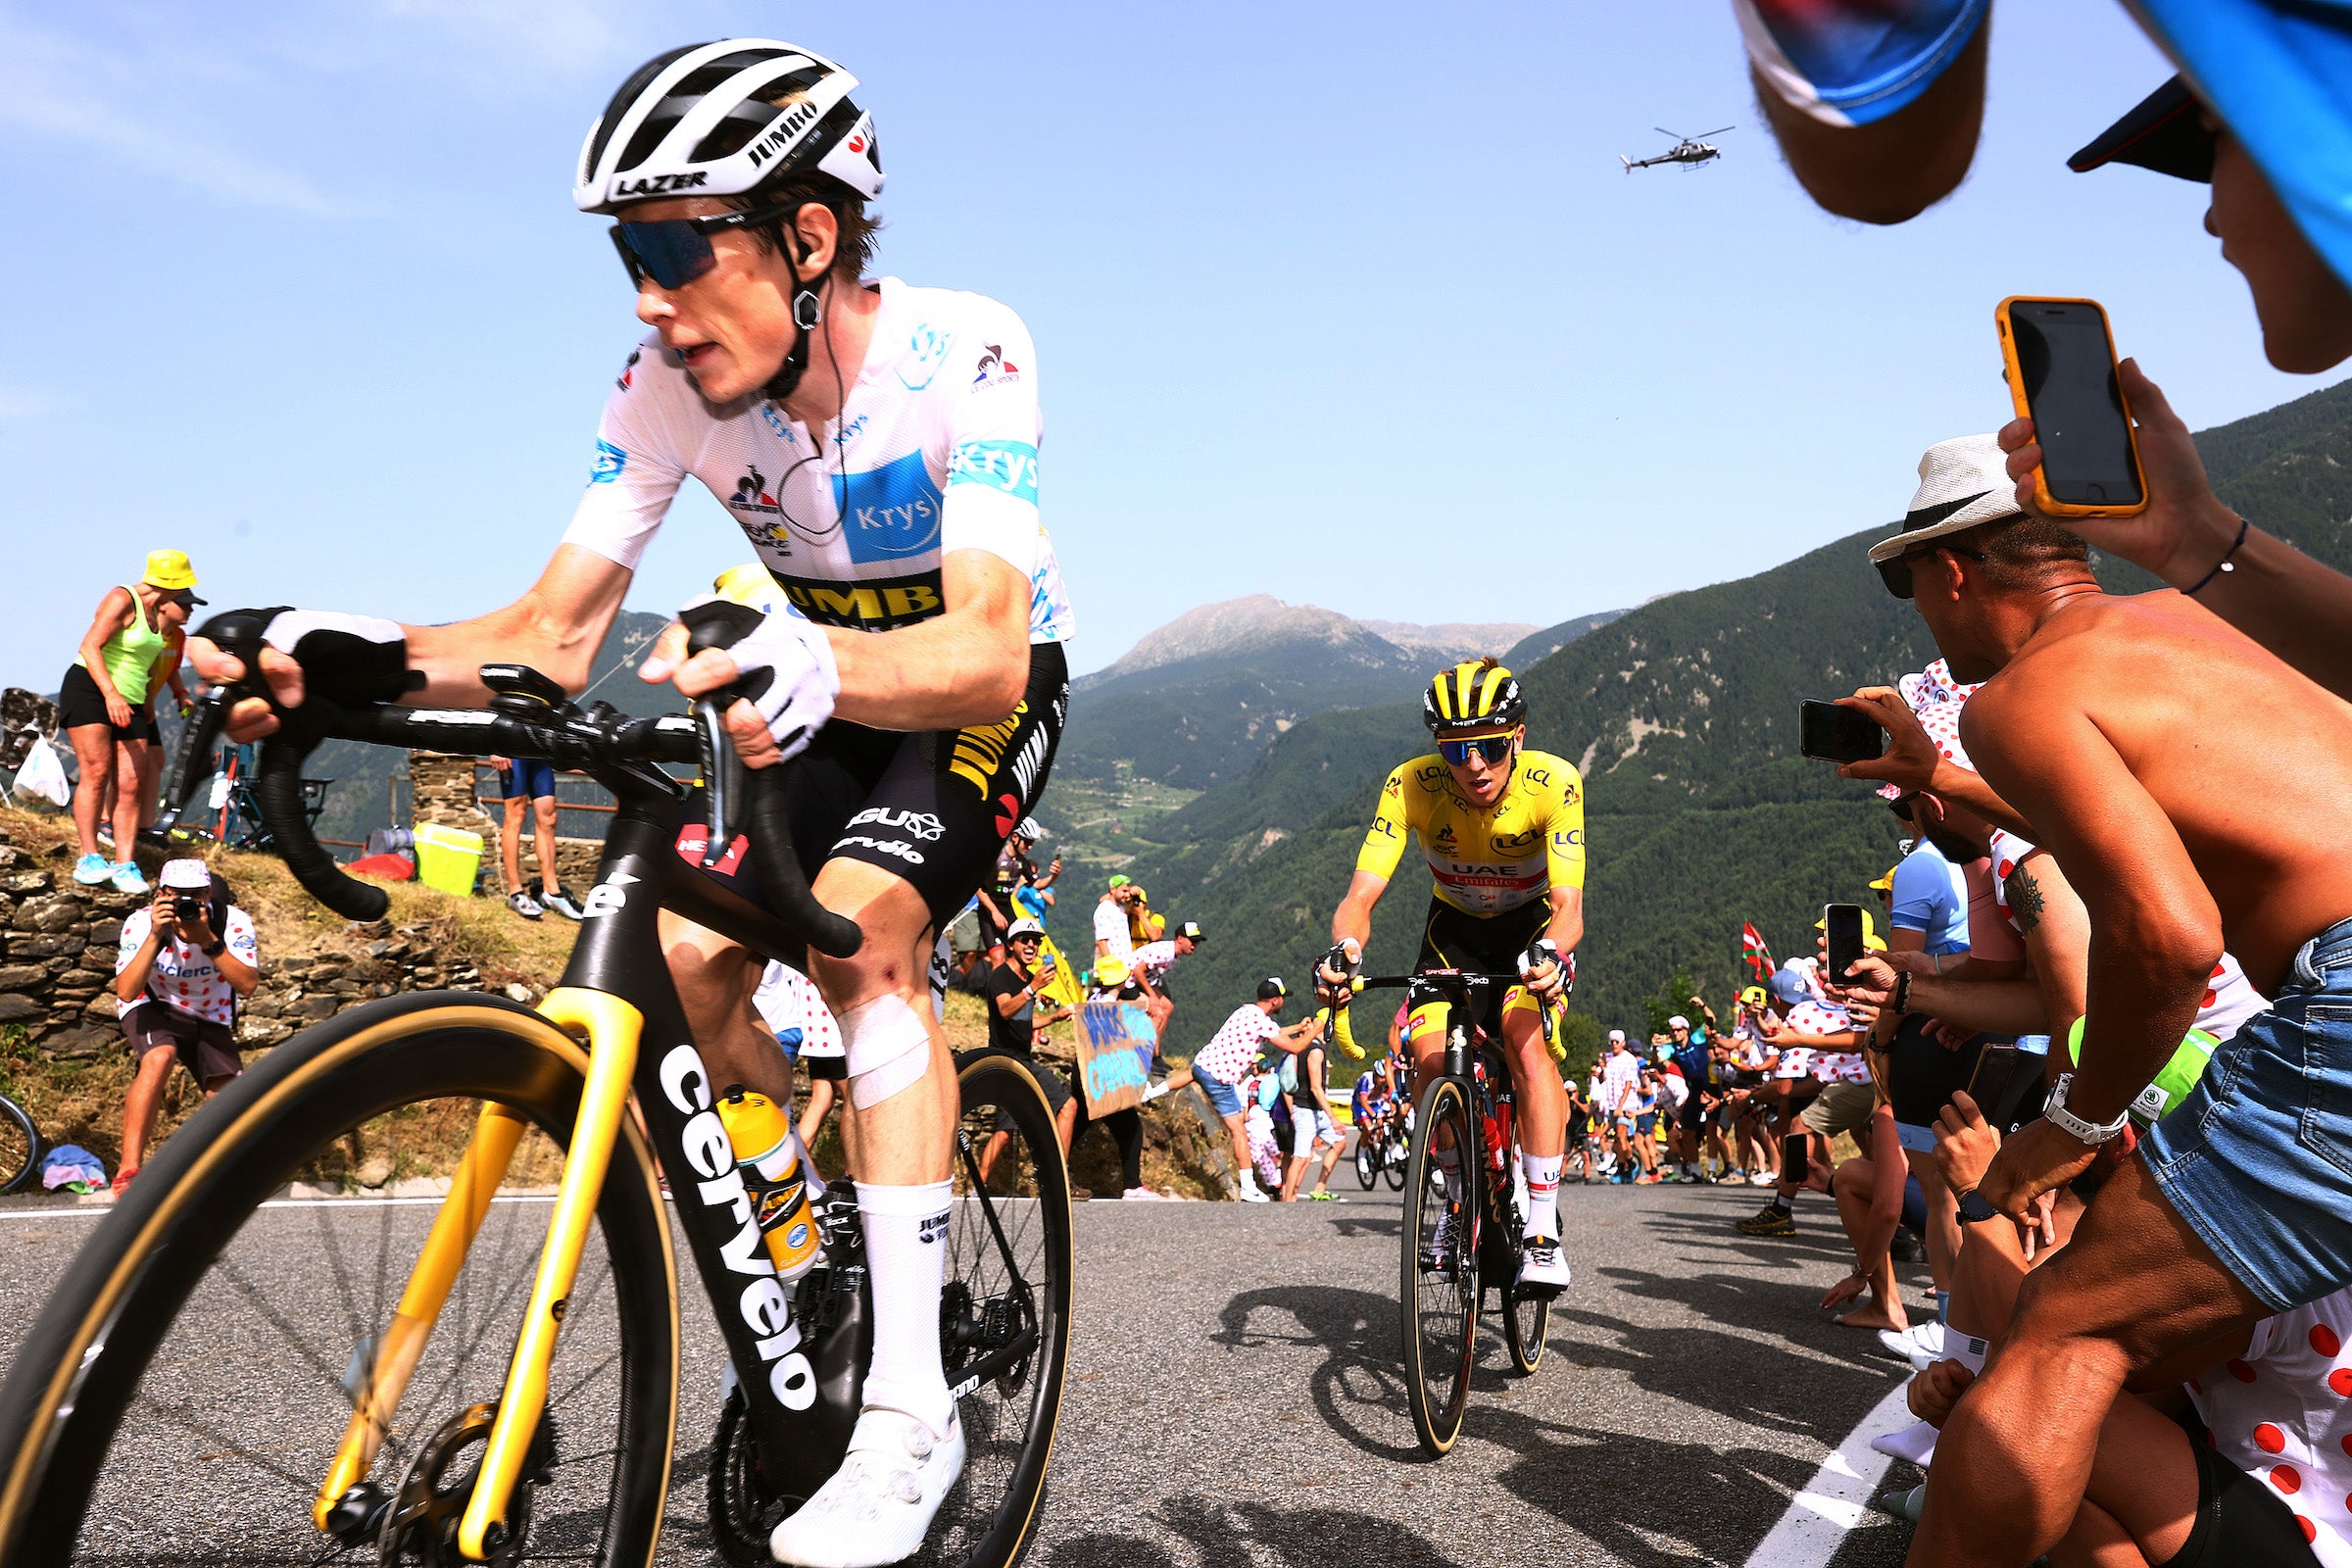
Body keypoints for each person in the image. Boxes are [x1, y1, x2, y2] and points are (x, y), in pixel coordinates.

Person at [185, 42, 1073, 1564]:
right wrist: (354, 655)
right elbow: (551, 633)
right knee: (661, 965)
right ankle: (799, 1213)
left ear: (808, 236)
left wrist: (823, 659)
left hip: (955, 703)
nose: (646, 296)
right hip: (797, 688)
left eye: (673, 247)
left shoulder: (964, 349)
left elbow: (988, 650)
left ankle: (912, 1416)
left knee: (863, 945)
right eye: (624, 254)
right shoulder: (666, 385)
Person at [1851, 428, 2352, 1567]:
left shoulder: (2020, 692)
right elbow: (2157, 822)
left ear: (1957, 570)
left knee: (2061, 1335)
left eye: (1908, 578)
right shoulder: (2186, 631)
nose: (1918, 605)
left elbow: (2171, 939)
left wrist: (2069, 1124)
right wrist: (1939, 780)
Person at [1318, 659, 1583, 1294]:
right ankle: (1460, 1197)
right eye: (1457, 748)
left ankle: (1542, 1229)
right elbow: (1361, 892)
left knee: (1525, 1042)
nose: (1475, 764)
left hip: (1529, 934)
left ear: (1517, 736)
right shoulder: (1411, 784)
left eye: (1490, 746)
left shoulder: (1554, 783)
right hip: (1454, 934)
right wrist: (1346, 948)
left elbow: (1570, 908)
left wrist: (1549, 955)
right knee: (1427, 1056)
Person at [111, 858, 259, 1198]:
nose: (187, 905)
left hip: (209, 1011)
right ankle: (129, 1170)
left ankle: (225, 1173)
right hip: (153, 1003)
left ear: (209, 893)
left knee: (230, 1096)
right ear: (161, 895)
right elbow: (126, 990)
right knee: (160, 1056)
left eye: (196, 896)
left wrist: (208, 940)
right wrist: (154, 936)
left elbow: (248, 985)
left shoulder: (232, 922)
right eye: (179, 896)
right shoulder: (139, 922)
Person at [63, 553, 203, 894]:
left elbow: (148, 663)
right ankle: (90, 857)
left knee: (130, 782)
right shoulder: (122, 598)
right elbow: (90, 646)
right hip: (92, 690)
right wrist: (111, 694)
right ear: (175, 582)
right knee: (96, 772)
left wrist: (150, 699)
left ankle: (125, 864)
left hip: (132, 700)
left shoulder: (159, 613)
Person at [1152, 980, 1321, 1203]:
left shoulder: (1246, 1010)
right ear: (1275, 1000)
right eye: (1282, 999)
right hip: (1220, 1079)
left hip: (1204, 1064)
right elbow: (1295, 1047)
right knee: (1239, 1131)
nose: (1283, 1002)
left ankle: (1150, 1092)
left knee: (1192, 1072)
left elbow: (1275, 1033)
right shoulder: (1263, 1021)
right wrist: (1315, 1030)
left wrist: (1298, 1029)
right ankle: (1248, 1187)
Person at [976, 918, 1078, 1178]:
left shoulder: (1028, 978)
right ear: (1011, 945)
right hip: (1006, 1061)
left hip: (1021, 1059)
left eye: (1036, 941)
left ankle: (1055, 1178)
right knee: (1009, 1130)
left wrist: (1054, 1017)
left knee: (1010, 1128)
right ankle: (1054, 1176)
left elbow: (1024, 1021)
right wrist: (1032, 989)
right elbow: (1006, 1010)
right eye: (1025, 940)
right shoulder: (1001, 977)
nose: (1031, 945)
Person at [752, 958, 845, 1152]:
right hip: (835, 1034)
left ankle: (799, 1164)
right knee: (854, 1103)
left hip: (815, 1034)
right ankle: (853, 1173)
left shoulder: (798, 952)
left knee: (822, 1099)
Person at [486, 755, 583, 920]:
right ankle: (515, 892)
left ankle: (552, 892)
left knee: (548, 816)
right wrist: (496, 750)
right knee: (516, 813)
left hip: (537, 748)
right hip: (512, 748)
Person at [1279, 999, 1345, 1202]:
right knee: (1299, 1157)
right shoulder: (1315, 1050)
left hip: (1313, 1111)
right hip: (1306, 1110)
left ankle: (1320, 1186)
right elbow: (1316, 1088)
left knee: (1339, 1142)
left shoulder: (1304, 1047)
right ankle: (1287, 1200)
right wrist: (1333, 1117)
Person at [1127, 918, 1202, 1042]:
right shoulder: (1165, 953)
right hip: (1128, 982)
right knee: (1158, 1013)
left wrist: (1156, 994)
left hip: (1140, 981)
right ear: (1180, 939)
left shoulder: (1174, 954)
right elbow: (1138, 971)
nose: (1195, 945)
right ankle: (1148, 1055)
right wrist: (1152, 996)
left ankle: (1155, 1053)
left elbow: (1153, 975)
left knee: (1168, 1007)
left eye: (1197, 941)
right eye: (1192, 941)